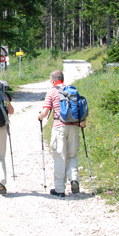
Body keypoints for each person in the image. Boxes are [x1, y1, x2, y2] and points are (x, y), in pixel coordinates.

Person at [37, 69, 84, 197]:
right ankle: (74, 179)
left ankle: (59, 189)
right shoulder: (72, 90)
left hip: (59, 126)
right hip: (74, 126)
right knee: (72, 155)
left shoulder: (52, 91)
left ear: (52, 80)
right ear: (62, 78)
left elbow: (45, 112)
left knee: (59, 156)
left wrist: (40, 117)